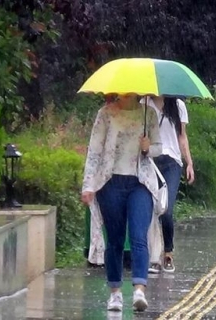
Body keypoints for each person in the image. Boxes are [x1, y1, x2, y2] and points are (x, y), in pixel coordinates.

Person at [81, 94, 162, 312]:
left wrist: (147, 148)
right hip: (110, 183)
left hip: (140, 183)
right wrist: (88, 185)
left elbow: (158, 148)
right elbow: (94, 151)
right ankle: (115, 293)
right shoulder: (105, 114)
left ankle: (139, 290)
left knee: (138, 236)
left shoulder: (149, 114)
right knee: (115, 240)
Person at [145, 96, 195, 274]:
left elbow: (182, 137)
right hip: (150, 161)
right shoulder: (145, 103)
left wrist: (189, 163)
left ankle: (168, 252)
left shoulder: (178, 105)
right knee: (150, 210)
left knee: (166, 210)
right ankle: (153, 257)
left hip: (172, 163)